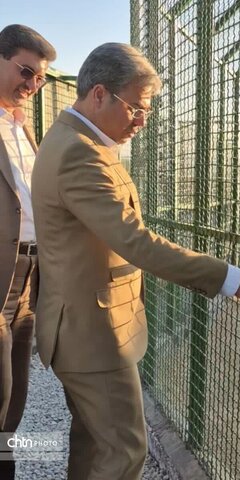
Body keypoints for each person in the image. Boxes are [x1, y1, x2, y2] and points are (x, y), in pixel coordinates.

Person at [31, 42, 240, 480]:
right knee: (124, 454)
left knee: (94, 447)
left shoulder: (80, 142)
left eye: (147, 110)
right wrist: (229, 278)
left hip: (86, 326)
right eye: (135, 107)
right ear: (99, 94)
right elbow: (137, 242)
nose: (141, 120)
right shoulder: (78, 153)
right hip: (92, 334)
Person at [0, 24, 56, 479]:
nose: (33, 85)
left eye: (40, 78)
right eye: (26, 71)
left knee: (16, 396)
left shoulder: (22, 128)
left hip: (29, 278)